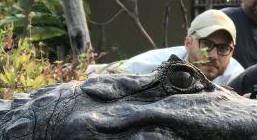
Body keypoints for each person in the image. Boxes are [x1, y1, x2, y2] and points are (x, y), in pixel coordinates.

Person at [88, 9, 243, 85]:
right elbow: (109, 71)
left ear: (232, 52)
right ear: (188, 43)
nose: (214, 55)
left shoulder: (237, 78)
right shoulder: (156, 63)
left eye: (223, 48)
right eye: (207, 44)